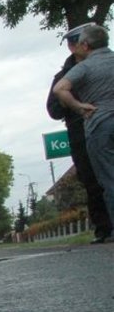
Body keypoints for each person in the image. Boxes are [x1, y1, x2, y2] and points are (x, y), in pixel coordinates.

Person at [46, 23, 112, 244]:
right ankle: (104, 227)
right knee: (92, 181)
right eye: (73, 44)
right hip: (80, 133)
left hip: (100, 125)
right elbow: (53, 109)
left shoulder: (97, 64)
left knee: (108, 177)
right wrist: (75, 106)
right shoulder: (64, 74)